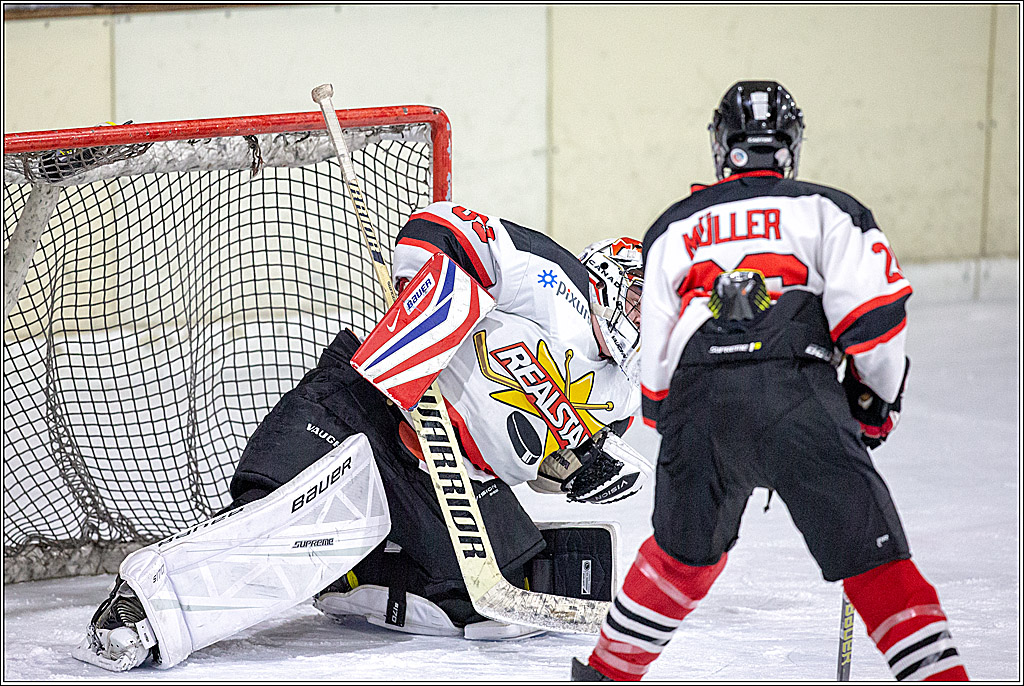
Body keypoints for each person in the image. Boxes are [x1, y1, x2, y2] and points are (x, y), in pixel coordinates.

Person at [73, 201, 653, 672]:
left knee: (503, 600)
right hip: (369, 408)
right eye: (637, 298)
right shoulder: (558, 280)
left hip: (446, 477)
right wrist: (426, 317)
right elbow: (442, 227)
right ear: (610, 274)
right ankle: (146, 605)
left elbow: (538, 462)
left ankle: (355, 573)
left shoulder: (622, 400)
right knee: (298, 517)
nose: (643, 319)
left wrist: (576, 474)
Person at [571, 81, 968, 681]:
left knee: (679, 558)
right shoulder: (829, 209)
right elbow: (875, 324)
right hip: (796, 396)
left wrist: (684, 427)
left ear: (721, 146)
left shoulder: (673, 226)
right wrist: (869, 404)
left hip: (697, 407)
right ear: (789, 146)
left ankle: (605, 675)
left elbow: (655, 375)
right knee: (877, 565)